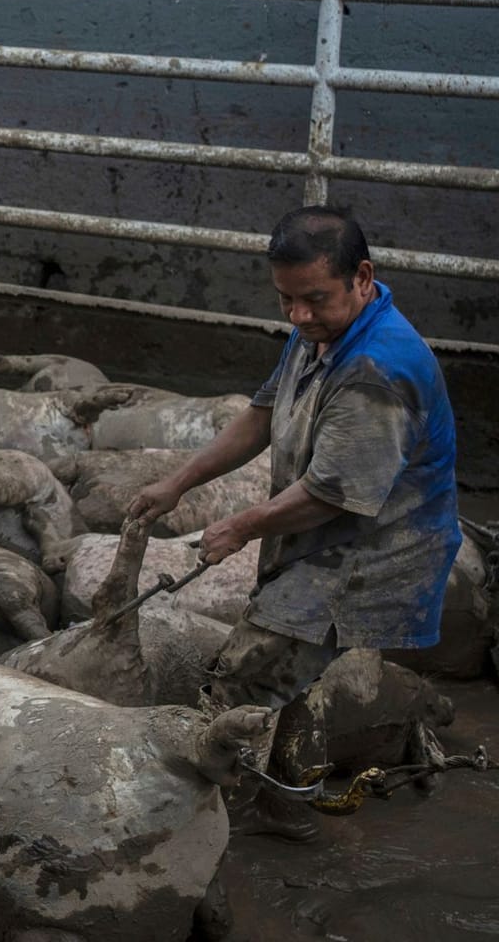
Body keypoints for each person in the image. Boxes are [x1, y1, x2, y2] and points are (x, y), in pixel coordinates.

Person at [128, 205, 461, 841]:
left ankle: (204, 819)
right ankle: (288, 807)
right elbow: (260, 414)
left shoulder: (377, 373)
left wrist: (240, 526)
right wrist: (179, 482)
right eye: (286, 299)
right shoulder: (321, 331)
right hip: (325, 537)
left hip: (368, 551)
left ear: (362, 278)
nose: (299, 315)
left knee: (242, 675)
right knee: (293, 676)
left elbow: (335, 494)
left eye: (314, 299)